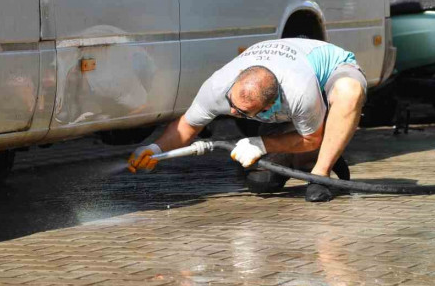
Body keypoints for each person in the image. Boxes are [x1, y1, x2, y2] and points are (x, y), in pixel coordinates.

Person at [127, 37, 367, 202]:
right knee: (262, 182)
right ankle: (319, 152)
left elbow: (311, 138)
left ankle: (320, 172)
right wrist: (154, 148)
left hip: (328, 73)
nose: (232, 113)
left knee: (349, 91)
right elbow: (187, 127)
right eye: (232, 104)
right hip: (291, 92)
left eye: (243, 113)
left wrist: (262, 144)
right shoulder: (218, 86)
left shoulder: (298, 90)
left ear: (271, 105)